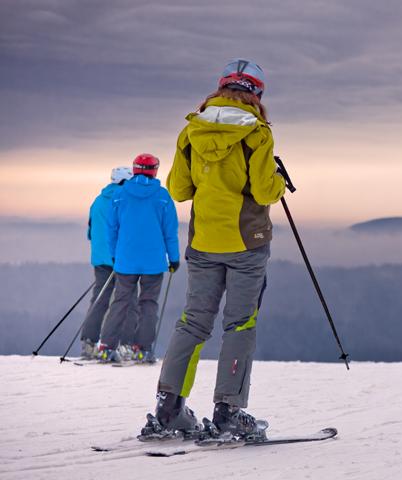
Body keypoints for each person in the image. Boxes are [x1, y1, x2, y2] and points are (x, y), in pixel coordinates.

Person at [141, 59, 285, 440]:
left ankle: (168, 409)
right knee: (240, 324)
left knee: (193, 322)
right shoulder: (257, 134)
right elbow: (264, 191)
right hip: (246, 245)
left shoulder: (191, 131)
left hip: (203, 243)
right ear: (257, 93)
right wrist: (278, 180)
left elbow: (178, 189)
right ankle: (228, 412)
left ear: (221, 87)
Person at [98, 154, 180, 363]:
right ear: (154, 170)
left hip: (125, 260)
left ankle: (106, 347)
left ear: (135, 169)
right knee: (148, 304)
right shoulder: (162, 196)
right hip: (154, 261)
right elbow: (170, 232)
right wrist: (174, 258)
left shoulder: (120, 194)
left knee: (120, 302)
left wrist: (114, 254)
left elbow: (111, 229)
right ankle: (142, 349)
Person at [80, 167, 139, 359]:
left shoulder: (97, 201)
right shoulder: (125, 201)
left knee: (100, 300)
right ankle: (126, 345)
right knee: (129, 301)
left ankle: (88, 342)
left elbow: (90, 232)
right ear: (124, 182)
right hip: (122, 259)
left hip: (100, 260)